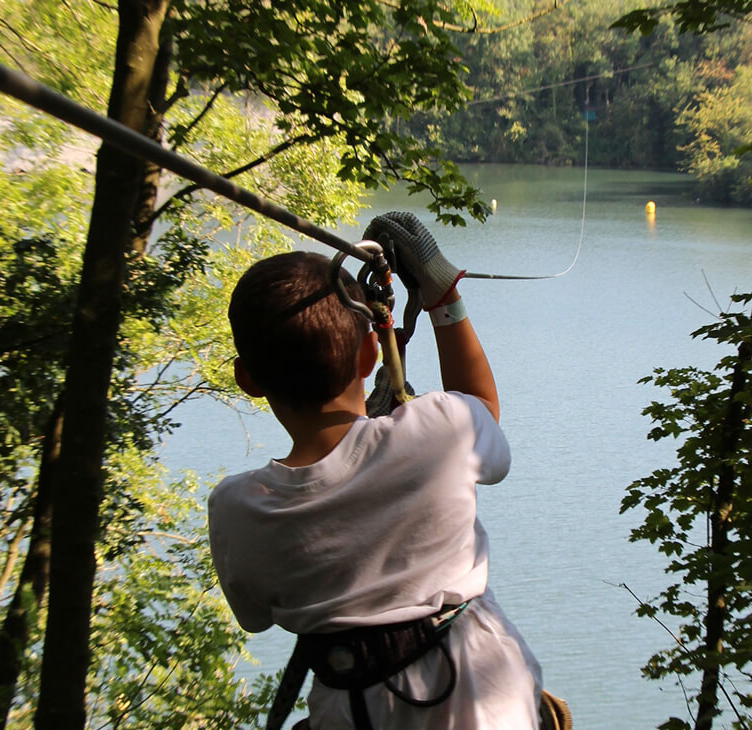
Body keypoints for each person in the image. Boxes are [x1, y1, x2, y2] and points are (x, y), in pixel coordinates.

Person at [208, 212, 554, 730]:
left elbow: (255, 616)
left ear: (247, 379)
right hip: (489, 705)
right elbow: (482, 409)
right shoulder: (436, 432)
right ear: (372, 351)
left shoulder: (239, 509)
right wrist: (442, 298)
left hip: (354, 711)